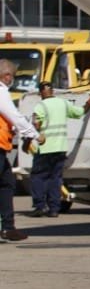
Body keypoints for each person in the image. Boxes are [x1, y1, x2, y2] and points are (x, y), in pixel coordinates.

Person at [29, 81, 90, 218]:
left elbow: (36, 124)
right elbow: (80, 112)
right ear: (52, 91)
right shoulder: (63, 103)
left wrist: (29, 136)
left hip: (45, 147)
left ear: (41, 92)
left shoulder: (40, 106)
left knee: (38, 177)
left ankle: (39, 206)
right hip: (60, 148)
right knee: (56, 178)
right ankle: (54, 209)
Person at [0, 59, 40, 241]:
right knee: (6, 184)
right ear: (7, 76)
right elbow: (13, 115)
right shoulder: (0, 91)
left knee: (7, 183)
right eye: (12, 77)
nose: (12, 80)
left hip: (2, 147)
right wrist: (33, 133)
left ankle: (8, 227)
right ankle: (8, 227)